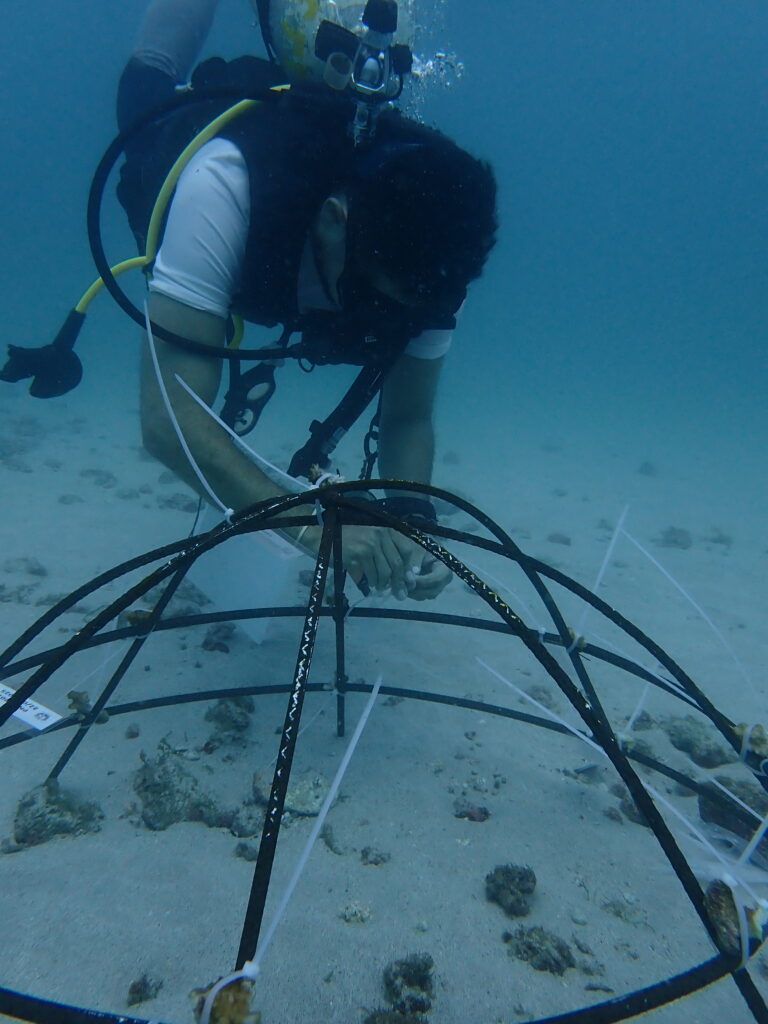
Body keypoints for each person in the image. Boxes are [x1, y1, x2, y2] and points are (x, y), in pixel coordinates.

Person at [118, 0, 498, 600]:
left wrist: (413, 520)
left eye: (410, 313)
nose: (387, 323)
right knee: (143, 93)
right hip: (209, 195)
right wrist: (312, 527)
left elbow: (408, 416)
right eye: (374, 297)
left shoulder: (435, 260)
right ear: (332, 221)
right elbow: (169, 421)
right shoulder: (224, 184)